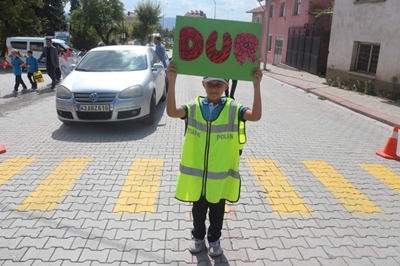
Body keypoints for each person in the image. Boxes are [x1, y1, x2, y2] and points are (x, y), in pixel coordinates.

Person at [166, 60, 262, 256]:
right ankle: (198, 237)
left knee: (217, 213)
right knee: (198, 212)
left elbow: (256, 116)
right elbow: (172, 112)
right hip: (198, 178)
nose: (214, 88)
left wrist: (256, 86)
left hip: (219, 179)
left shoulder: (234, 108)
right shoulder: (194, 106)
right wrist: (172, 81)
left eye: (219, 84)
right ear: (203, 84)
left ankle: (215, 240)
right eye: (210, 84)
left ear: (226, 86)